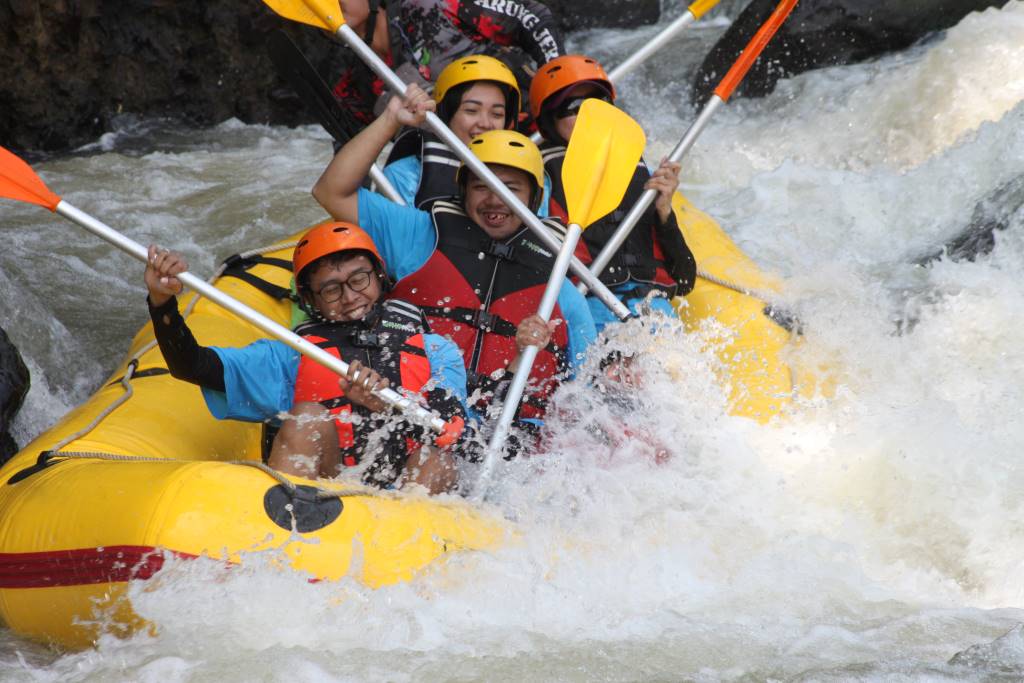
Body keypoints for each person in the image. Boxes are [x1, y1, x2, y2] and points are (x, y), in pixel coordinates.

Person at [312, 87, 597, 429]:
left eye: (511, 189)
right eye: (481, 187)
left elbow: (586, 393)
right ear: (463, 192)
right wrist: (391, 120)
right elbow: (330, 191)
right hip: (413, 418)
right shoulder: (419, 233)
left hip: (510, 438)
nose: (495, 201)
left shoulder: (556, 287)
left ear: (534, 199)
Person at [144, 222, 468, 493]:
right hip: (333, 494)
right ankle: (286, 524)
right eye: (331, 289)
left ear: (378, 276)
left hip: (410, 501)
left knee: (435, 456)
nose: (350, 296)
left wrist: (384, 405)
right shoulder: (291, 354)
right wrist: (162, 304)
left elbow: (458, 434)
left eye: (358, 279)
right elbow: (193, 367)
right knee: (308, 418)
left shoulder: (436, 349)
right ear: (310, 299)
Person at [530, 55, 698, 332]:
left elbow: (684, 280)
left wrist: (664, 211)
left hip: (654, 308)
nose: (590, 116)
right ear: (549, 120)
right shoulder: (540, 174)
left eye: (598, 105)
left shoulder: (635, 168)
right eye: (574, 108)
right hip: (589, 308)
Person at [328, 0, 564, 129]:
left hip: (536, 132)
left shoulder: (431, 6)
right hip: (467, 179)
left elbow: (531, 17)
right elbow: (352, 166)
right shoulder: (352, 87)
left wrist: (558, 91)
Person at [382, 54, 536, 210]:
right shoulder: (405, 174)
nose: (485, 124)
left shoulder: (526, 178)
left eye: (497, 114)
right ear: (446, 114)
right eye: (471, 110)